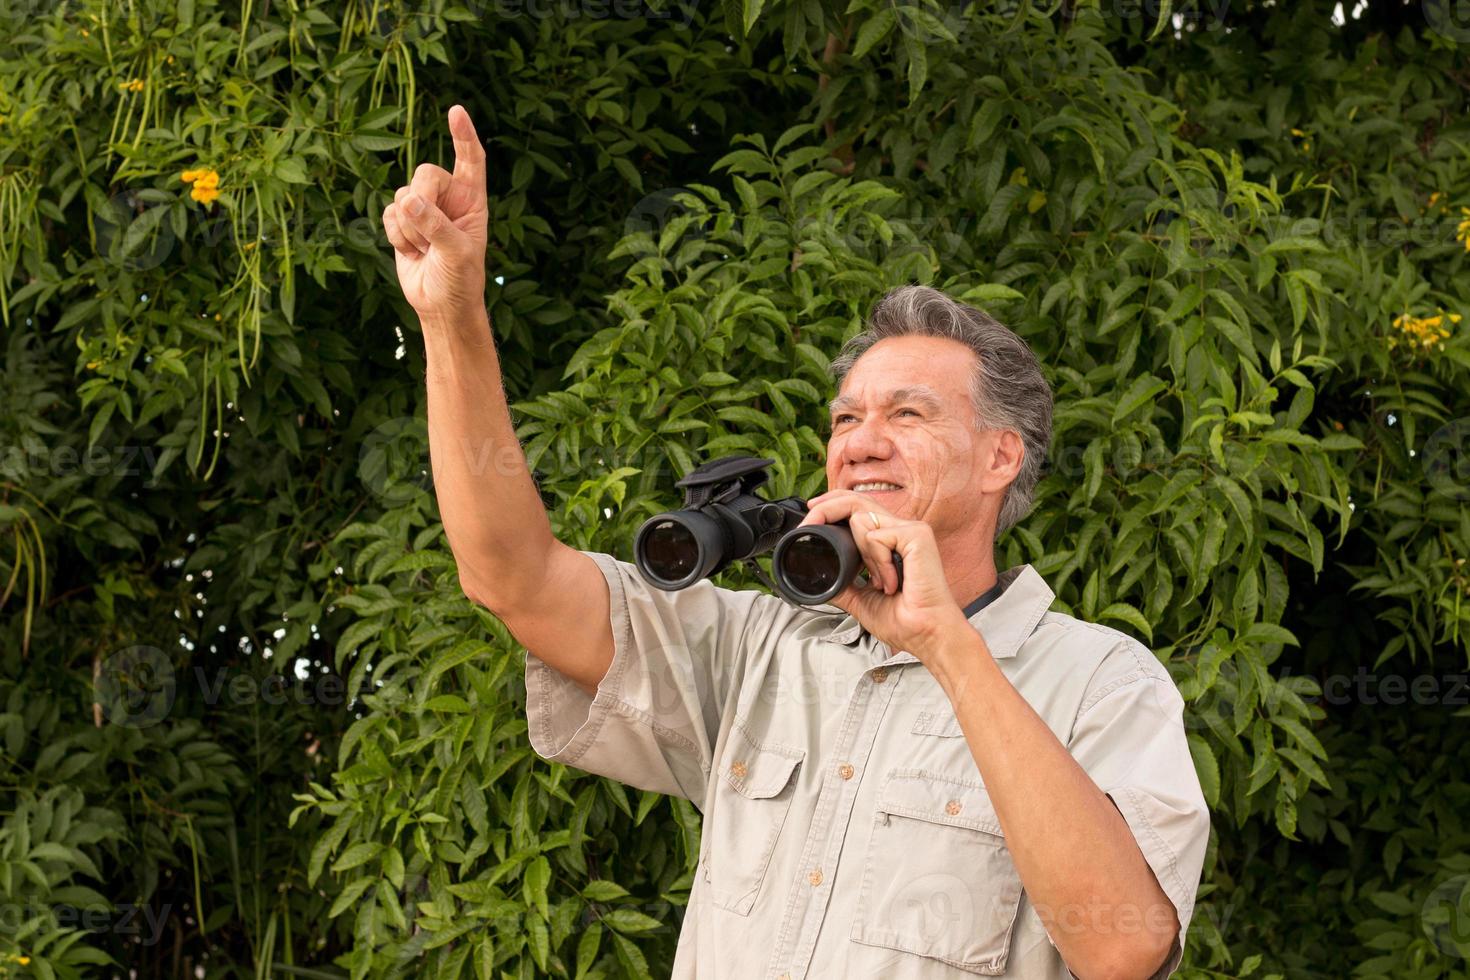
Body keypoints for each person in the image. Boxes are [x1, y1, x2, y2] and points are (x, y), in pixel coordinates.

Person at [384, 105, 1211, 980]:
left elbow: (1123, 948)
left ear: (1001, 455)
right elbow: (512, 577)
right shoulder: (760, 651)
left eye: (908, 414)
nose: (860, 440)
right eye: (847, 417)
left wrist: (945, 645)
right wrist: (454, 316)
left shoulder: (1100, 682)